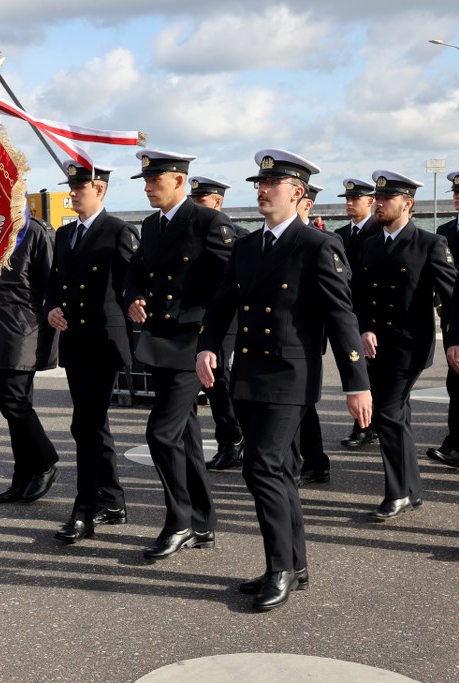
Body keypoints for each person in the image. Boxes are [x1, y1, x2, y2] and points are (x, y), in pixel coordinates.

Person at [197, 148, 372, 612]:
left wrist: (357, 383)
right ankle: (294, 564)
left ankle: (280, 568)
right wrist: (208, 345)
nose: (261, 190)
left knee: (261, 466)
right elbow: (220, 304)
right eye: (258, 184)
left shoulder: (317, 245)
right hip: (250, 374)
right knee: (277, 473)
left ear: (297, 193)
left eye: (270, 185)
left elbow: (341, 316)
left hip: (291, 375)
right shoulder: (247, 246)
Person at [125, 151, 236, 560]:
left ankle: (180, 521)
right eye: (146, 180)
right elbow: (136, 270)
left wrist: (217, 346)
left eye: (155, 180)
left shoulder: (208, 222)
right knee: (185, 436)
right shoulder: (151, 225)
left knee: (160, 433)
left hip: (194, 343)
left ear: (179, 182)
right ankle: (202, 523)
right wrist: (134, 297)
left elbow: (232, 286)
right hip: (161, 340)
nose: (148, 187)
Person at [352, 170, 455, 518]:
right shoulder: (369, 244)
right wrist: (363, 328)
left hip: (409, 346)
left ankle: (397, 492)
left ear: (407, 204)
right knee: (398, 417)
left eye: (386, 200)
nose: (378, 204)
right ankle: (412, 490)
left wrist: (455, 340)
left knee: (386, 414)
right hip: (375, 347)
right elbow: (360, 297)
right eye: (377, 199)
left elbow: (453, 297)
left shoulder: (429, 244)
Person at [45, 161, 138, 544]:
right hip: (75, 342)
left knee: (83, 425)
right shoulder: (64, 235)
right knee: (94, 425)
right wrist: (50, 307)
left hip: (104, 341)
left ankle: (84, 511)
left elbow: (135, 279)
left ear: (99, 190)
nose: (72, 192)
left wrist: (138, 301)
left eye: (80, 187)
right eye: (71, 186)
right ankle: (112, 500)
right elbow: (54, 282)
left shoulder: (119, 231)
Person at [0, 214, 60, 504]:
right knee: (13, 405)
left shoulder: (32, 231)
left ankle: (45, 462)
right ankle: (23, 477)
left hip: (22, 330)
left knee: (13, 402)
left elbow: (50, 285)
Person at [187, 176, 247, 471]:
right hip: (195, 316)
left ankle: (232, 438)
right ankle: (230, 436)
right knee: (203, 379)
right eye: (193, 199)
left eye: (201, 200)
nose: (195, 205)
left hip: (224, 317)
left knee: (217, 376)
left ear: (217, 202)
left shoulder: (235, 234)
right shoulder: (186, 231)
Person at [334, 178, 381, 449]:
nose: (350, 204)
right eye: (347, 199)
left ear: (370, 201)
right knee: (355, 368)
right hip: (347, 308)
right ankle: (366, 426)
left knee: (369, 373)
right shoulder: (340, 233)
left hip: (371, 312)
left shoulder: (378, 231)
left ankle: (366, 427)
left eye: (355, 199)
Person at [293, 184, 332, 487]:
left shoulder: (322, 241)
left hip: (305, 339)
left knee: (304, 406)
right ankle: (295, 462)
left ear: (305, 203)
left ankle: (315, 462)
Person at [428, 170, 459, 467]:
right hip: (453, 315)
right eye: (455, 192)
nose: (457, 197)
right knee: (455, 382)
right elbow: (437, 274)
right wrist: (437, 300)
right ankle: (454, 445)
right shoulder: (445, 230)